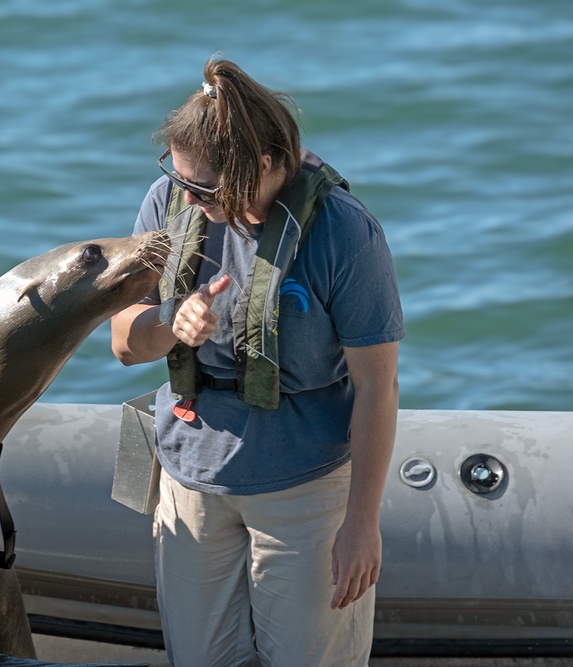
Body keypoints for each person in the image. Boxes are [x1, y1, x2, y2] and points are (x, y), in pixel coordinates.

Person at [110, 56, 404, 667]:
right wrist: (170, 323)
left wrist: (361, 524)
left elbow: (378, 387)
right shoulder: (170, 202)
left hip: (303, 490)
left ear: (270, 166)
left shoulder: (346, 235)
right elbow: (123, 343)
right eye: (181, 180)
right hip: (191, 476)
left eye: (206, 189)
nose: (189, 197)